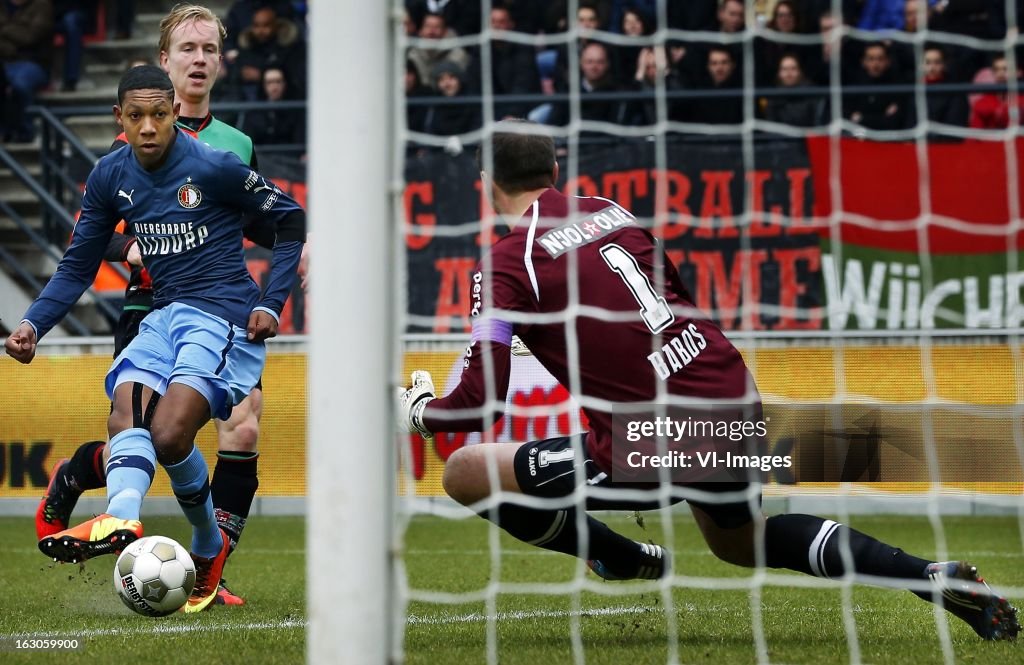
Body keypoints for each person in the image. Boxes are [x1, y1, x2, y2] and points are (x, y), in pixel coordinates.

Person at [397, 120, 1020, 642]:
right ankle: (928, 575)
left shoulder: (506, 265)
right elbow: (675, 295)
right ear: (555, 172)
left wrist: (420, 410)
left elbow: (478, 407)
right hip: (728, 395)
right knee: (740, 544)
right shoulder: (612, 213)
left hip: (656, 439)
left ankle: (616, 555)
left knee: (467, 471)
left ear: (487, 185)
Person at [5, 65, 305, 613]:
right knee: (127, 417)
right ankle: (124, 514)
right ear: (119, 118)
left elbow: (290, 220)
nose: (149, 126)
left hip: (222, 316)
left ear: (174, 115)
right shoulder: (107, 175)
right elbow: (78, 264)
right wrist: (31, 325)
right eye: (137, 116)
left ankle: (205, 545)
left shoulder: (213, 165)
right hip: (162, 315)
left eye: (159, 114)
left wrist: (271, 301)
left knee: (169, 435)